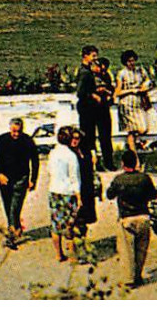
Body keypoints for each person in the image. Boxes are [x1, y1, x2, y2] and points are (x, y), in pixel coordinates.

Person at [107, 150, 157, 289]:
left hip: (126, 218)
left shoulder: (119, 179)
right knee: (141, 250)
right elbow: (153, 195)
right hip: (143, 217)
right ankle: (138, 275)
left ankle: (129, 279)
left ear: (123, 164)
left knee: (127, 251)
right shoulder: (144, 178)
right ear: (136, 163)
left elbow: (110, 195)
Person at [0, 117, 39, 248]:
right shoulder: (3, 139)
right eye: (14, 131)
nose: (16, 134)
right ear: (10, 128)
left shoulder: (28, 141)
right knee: (8, 206)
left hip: (21, 178)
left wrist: (33, 179)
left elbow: (35, 161)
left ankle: (11, 237)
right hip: (5, 178)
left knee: (15, 207)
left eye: (18, 131)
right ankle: (15, 226)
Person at [47, 126, 83, 264]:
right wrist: (79, 196)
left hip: (54, 190)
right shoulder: (71, 155)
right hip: (67, 192)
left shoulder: (53, 153)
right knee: (70, 225)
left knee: (56, 225)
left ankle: (58, 254)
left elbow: (49, 170)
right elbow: (75, 177)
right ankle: (73, 256)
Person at [68, 126, 97, 262]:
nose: (75, 141)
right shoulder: (68, 154)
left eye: (77, 138)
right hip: (75, 190)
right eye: (72, 138)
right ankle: (77, 252)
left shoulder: (84, 151)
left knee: (84, 221)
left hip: (87, 189)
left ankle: (82, 246)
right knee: (76, 222)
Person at [114, 50, 153, 151]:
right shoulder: (122, 74)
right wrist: (132, 90)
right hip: (127, 103)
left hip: (138, 103)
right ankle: (133, 150)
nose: (131, 63)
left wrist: (145, 87)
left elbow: (148, 81)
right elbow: (118, 92)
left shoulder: (140, 71)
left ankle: (136, 144)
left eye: (133, 61)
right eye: (129, 61)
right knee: (132, 129)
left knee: (143, 127)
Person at [76, 46, 106, 171]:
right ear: (85, 56)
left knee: (90, 135)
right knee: (88, 136)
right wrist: (93, 95)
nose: (95, 58)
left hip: (90, 108)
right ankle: (88, 162)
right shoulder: (85, 72)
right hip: (86, 107)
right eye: (93, 56)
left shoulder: (88, 70)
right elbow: (80, 92)